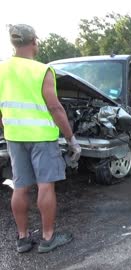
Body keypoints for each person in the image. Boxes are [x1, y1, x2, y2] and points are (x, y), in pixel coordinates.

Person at [0, 24, 81, 253]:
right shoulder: (41, 70)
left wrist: (8, 127)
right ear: (34, 41)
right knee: (45, 186)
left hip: (15, 137)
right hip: (42, 137)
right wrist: (71, 138)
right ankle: (47, 238)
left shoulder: (1, 70)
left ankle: (23, 239)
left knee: (20, 186)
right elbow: (55, 108)